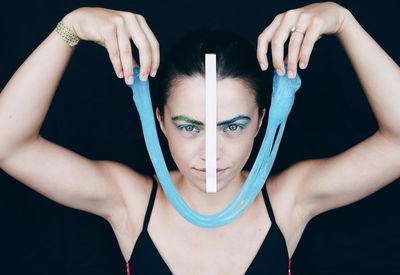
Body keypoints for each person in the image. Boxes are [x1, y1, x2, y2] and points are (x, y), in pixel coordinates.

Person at [0, 2, 399, 274]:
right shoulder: (130, 202)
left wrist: (345, 22)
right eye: (190, 126)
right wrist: (72, 26)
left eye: (233, 126)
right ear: (160, 120)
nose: (211, 152)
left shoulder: (290, 200)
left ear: (262, 120)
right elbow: (7, 145)